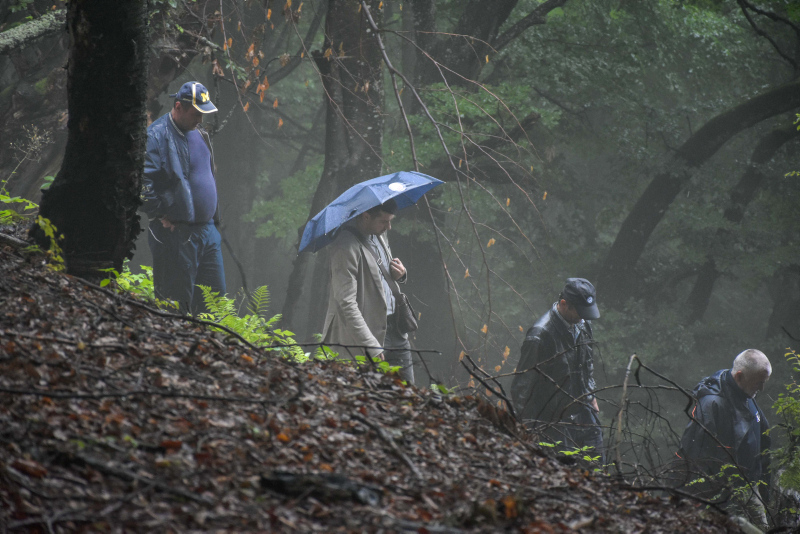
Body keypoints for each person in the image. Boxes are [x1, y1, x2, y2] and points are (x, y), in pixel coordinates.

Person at [141, 81, 225, 314]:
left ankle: (209, 349)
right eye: (195, 113)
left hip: (207, 232)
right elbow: (141, 182)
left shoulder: (199, 132)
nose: (200, 119)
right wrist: (159, 213)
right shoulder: (156, 136)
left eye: (203, 114)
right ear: (178, 106)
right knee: (176, 306)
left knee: (214, 305)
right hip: (176, 234)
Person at [321, 199, 415, 383]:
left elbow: (379, 276)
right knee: (368, 401)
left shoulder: (379, 233)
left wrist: (400, 274)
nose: (388, 227)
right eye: (383, 221)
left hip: (396, 331)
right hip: (366, 336)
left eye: (391, 221)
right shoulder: (344, 246)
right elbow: (346, 303)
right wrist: (370, 345)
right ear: (365, 216)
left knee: (408, 397)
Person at [678, 349, 771, 529]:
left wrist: (764, 489)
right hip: (721, 493)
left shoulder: (747, 395)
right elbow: (695, 455)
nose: (761, 389)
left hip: (750, 488)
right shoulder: (712, 403)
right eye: (759, 383)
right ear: (739, 376)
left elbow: (763, 444)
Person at [511, 278, 603, 459]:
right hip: (554, 421)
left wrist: (591, 395)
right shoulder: (540, 335)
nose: (583, 317)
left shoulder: (583, 324)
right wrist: (529, 430)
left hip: (584, 411)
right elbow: (522, 388)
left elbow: (587, 362)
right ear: (564, 304)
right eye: (580, 312)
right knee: (566, 473)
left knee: (598, 467)